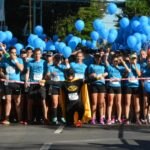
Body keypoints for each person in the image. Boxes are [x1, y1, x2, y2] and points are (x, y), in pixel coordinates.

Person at [105, 54, 130, 125]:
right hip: (111, 86)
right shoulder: (110, 67)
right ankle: (109, 118)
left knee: (118, 103)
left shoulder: (121, 68)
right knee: (110, 103)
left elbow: (128, 70)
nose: (115, 62)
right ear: (112, 61)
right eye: (114, 61)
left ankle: (119, 118)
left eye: (116, 61)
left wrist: (122, 61)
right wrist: (107, 54)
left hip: (118, 86)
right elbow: (106, 61)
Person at [2, 46, 24, 125]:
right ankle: (6, 119)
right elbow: (1, 70)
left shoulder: (19, 59)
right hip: (7, 83)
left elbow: (21, 69)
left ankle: (20, 119)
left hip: (16, 83)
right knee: (8, 101)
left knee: (17, 101)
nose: (14, 54)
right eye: (12, 53)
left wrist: (15, 60)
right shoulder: (5, 60)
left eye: (15, 53)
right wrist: (3, 75)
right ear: (9, 53)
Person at [25, 48, 47, 124]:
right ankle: (29, 119)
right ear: (33, 54)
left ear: (41, 55)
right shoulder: (30, 62)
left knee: (43, 102)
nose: (37, 55)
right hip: (32, 84)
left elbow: (46, 73)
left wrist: (44, 80)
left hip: (41, 85)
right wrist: (26, 81)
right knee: (30, 102)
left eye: (39, 54)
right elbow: (27, 73)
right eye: (36, 54)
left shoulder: (44, 62)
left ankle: (45, 118)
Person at [46, 54, 69, 125]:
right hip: (54, 86)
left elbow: (69, 70)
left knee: (61, 103)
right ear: (54, 60)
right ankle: (54, 117)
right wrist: (50, 75)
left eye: (59, 59)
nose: (58, 61)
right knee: (55, 103)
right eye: (56, 59)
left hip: (62, 86)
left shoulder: (63, 67)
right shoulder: (50, 67)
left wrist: (66, 62)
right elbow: (47, 75)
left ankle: (62, 117)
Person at [88, 53, 108, 125]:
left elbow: (107, 72)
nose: (98, 59)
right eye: (96, 57)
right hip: (94, 85)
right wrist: (92, 75)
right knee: (94, 103)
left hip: (102, 85)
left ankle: (101, 118)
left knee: (101, 103)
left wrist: (105, 74)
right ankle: (93, 118)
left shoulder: (103, 65)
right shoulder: (91, 66)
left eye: (99, 57)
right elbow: (89, 75)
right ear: (94, 58)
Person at [124, 53, 141, 125]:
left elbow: (139, 74)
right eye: (132, 58)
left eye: (135, 58)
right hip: (128, 85)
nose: (133, 60)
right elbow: (124, 75)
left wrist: (134, 65)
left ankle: (137, 119)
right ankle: (127, 118)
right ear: (130, 59)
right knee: (127, 103)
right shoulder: (127, 65)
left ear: (136, 59)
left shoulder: (138, 65)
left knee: (136, 103)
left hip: (136, 86)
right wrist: (126, 72)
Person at [141, 57, 150, 124]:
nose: (149, 62)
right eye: (148, 61)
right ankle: (144, 118)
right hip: (145, 88)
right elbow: (141, 77)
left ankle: (149, 116)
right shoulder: (144, 68)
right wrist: (142, 84)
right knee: (145, 103)